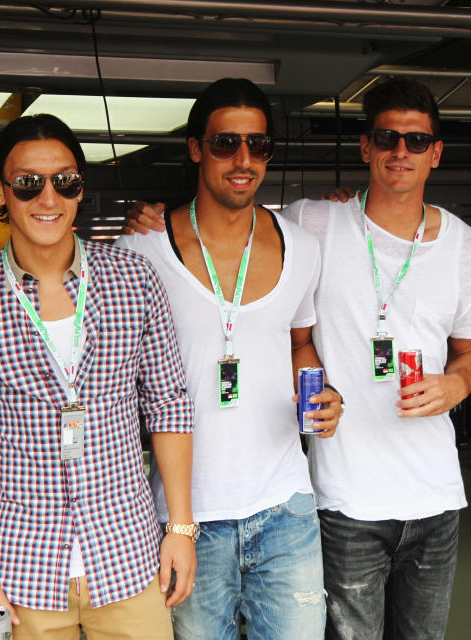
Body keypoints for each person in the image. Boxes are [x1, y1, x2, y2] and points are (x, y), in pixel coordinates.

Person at [129, 77, 471, 639]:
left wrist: (450, 387)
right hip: (288, 503)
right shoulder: (308, 225)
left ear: (436, 152)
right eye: (387, 138)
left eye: (417, 142)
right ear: (365, 147)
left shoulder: (458, 247)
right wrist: (143, 219)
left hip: (354, 499)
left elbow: (463, 353)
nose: (402, 153)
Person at [0, 114, 196, 640]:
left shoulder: (134, 279)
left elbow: (168, 403)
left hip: (128, 557)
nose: (48, 198)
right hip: (22, 570)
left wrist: (182, 529)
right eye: (28, 184)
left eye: (65, 181)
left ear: (80, 188)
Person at [115, 77, 338, 640]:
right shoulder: (140, 252)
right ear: (195, 148)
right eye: (225, 143)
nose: (243, 160)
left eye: (258, 145)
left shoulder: (302, 248)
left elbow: (299, 342)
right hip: (186, 519)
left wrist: (321, 394)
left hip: (286, 508)